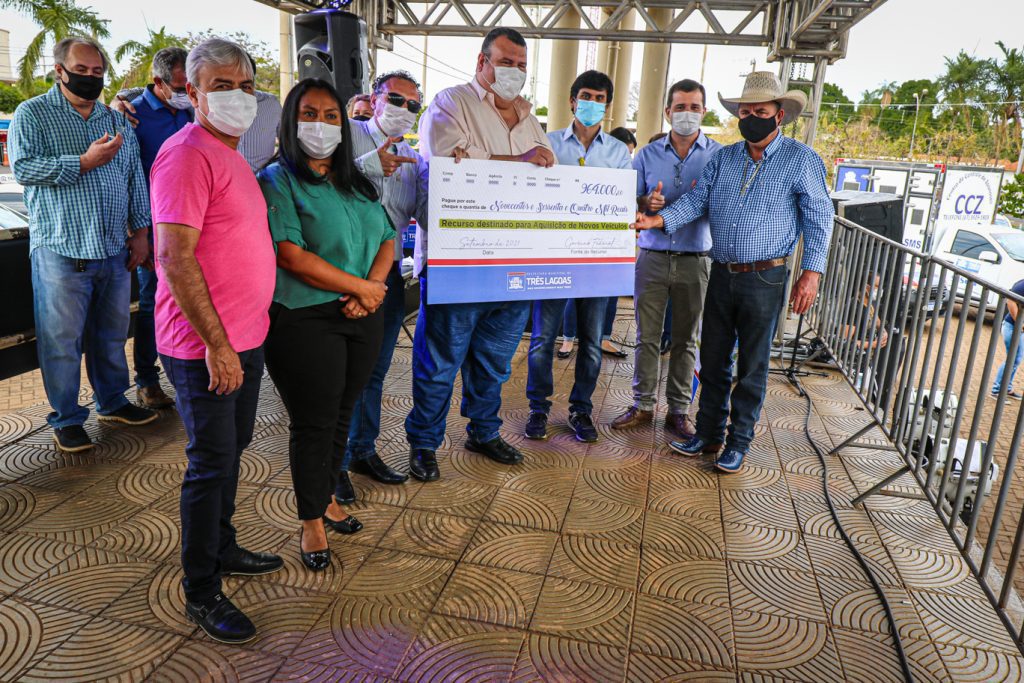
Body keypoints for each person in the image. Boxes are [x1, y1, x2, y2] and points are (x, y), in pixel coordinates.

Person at [150, 38, 283, 644]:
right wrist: (218, 344)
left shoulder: (231, 154)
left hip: (244, 338)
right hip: (204, 345)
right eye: (221, 86)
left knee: (232, 450)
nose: (237, 97)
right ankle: (201, 589)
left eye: (245, 85)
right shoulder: (186, 155)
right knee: (210, 463)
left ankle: (223, 546)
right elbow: (174, 258)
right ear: (193, 93)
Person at [634, 71, 834, 473]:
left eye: (761, 112)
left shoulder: (801, 160)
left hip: (765, 277)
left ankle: (739, 440)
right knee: (713, 358)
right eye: (745, 112)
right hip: (721, 272)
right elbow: (697, 202)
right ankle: (708, 433)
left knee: (752, 365)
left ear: (779, 115)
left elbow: (819, 217)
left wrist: (811, 272)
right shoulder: (724, 158)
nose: (752, 118)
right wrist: (658, 221)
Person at [407, 26, 554, 481]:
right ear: (482, 61)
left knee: (495, 360)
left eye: (522, 65)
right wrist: (521, 162)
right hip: (459, 262)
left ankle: (484, 430)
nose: (515, 72)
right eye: (506, 62)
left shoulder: (531, 120)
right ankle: (424, 443)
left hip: (514, 265)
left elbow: (549, 179)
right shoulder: (451, 103)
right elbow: (447, 163)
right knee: (440, 362)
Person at [259, 78, 394, 570]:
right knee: (313, 421)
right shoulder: (277, 180)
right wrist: (361, 288)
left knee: (342, 413)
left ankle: (328, 496)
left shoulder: (354, 180)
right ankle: (311, 520)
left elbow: (387, 237)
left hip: (363, 313)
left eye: (331, 116)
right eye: (310, 115)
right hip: (305, 317)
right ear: (291, 123)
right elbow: (290, 255)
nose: (322, 125)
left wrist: (371, 288)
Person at [9, 37, 158, 453]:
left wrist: (141, 233)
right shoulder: (32, 114)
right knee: (62, 342)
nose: (90, 77)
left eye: (97, 72)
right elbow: (23, 168)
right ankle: (67, 418)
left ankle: (112, 401)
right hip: (62, 249)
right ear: (59, 70)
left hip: (113, 247)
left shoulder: (114, 120)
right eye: (81, 70)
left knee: (111, 335)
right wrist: (82, 162)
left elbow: (134, 178)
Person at [611, 79, 722, 440]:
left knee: (687, 339)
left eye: (694, 107)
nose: (687, 114)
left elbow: (721, 205)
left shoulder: (718, 156)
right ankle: (642, 404)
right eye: (680, 107)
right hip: (652, 256)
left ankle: (679, 410)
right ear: (667, 111)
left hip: (696, 258)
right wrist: (645, 202)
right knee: (646, 336)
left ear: (704, 111)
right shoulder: (646, 155)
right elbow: (626, 200)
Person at [525, 70, 632, 443]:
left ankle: (581, 410)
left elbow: (623, 203)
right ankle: (538, 409)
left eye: (600, 99)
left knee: (592, 342)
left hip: (597, 263)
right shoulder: (547, 144)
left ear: (607, 105)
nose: (592, 103)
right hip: (552, 259)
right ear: (572, 101)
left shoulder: (618, 153)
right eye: (586, 96)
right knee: (543, 339)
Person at [340, 69, 428, 502]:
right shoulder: (345, 135)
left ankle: (362, 449)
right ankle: (333, 463)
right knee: (337, 371)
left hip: (387, 274)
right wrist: (370, 167)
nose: (404, 109)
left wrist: (458, 173)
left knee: (373, 369)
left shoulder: (414, 159)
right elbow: (320, 185)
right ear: (374, 98)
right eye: (396, 99)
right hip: (341, 271)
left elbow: (422, 215)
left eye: (413, 105)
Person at [119, 47, 192, 410]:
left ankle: (186, 369)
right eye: (179, 86)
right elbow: (130, 177)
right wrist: (140, 233)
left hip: (191, 223)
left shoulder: (191, 110)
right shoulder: (133, 115)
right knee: (151, 304)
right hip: (154, 227)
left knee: (190, 297)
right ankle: (147, 380)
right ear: (158, 82)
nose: (186, 92)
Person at [237, 54, 282, 171]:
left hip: (262, 178)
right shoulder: (211, 105)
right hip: (223, 179)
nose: (236, 89)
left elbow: (287, 142)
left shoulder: (271, 104)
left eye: (244, 85)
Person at [992, 278, 1024, 399]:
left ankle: (1007, 388)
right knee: (1012, 359)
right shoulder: (1022, 285)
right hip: (1012, 327)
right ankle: (996, 389)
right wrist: (1019, 322)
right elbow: (1010, 301)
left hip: (1018, 329)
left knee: (1016, 359)